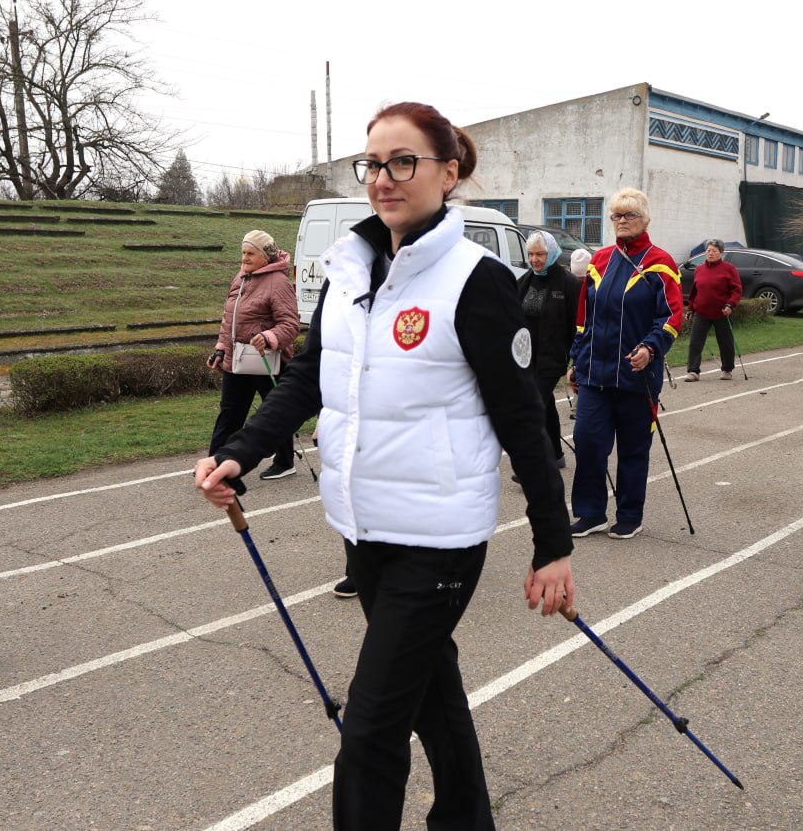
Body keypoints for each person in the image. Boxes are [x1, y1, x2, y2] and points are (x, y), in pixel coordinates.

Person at [194, 101, 574, 830]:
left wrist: (552, 543)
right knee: (433, 691)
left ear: (448, 172)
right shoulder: (350, 271)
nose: (384, 178)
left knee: (370, 728)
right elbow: (308, 379)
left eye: (404, 162)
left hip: (439, 537)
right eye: (373, 163)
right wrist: (239, 449)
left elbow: (524, 420)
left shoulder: (477, 280)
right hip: (364, 527)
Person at [566, 188, 682, 539]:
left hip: (636, 376)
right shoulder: (598, 261)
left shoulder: (660, 263)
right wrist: (576, 361)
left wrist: (651, 347)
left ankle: (630, 514)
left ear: (644, 219)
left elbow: (672, 316)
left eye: (628, 215)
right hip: (594, 376)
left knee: (633, 449)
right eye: (616, 215)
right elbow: (584, 319)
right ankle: (590, 513)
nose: (620, 221)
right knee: (587, 443)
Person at [206, 230, 300, 479]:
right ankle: (215, 462)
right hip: (238, 359)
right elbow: (230, 320)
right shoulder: (240, 277)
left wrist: (269, 337)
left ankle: (285, 460)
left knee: (274, 412)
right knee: (230, 412)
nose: (244, 258)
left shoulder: (278, 282)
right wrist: (220, 349)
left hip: (268, 360)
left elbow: (290, 325)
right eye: (243, 253)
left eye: (250, 253)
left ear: (265, 257)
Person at [514, 230, 580, 479]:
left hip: (552, 358)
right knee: (546, 404)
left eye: (540, 254)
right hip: (526, 358)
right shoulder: (524, 281)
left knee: (533, 406)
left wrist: (577, 360)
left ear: (551, 253)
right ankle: (556, 454)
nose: (534, 259)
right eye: (531, 254)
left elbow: (578, 326)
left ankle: (535, 465)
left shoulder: (568, 283)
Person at [684, 239, 742, 382]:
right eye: (708, 251)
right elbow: (694, 292)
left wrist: (730, 305)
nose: (710, 253)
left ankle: (727, 370)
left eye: (714, 251)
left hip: (721, 312)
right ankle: (693, 371)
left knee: (725, 342)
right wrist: (690, 309)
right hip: (701, 313)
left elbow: (736, 290)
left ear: (720, 253)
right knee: (695, 342)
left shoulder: (729, 269)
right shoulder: (699, 269)